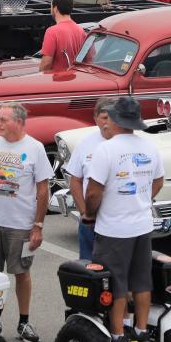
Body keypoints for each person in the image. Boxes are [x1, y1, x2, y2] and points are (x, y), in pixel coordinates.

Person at [84, 96, 164, 342]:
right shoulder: (150, 147)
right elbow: (159, 181)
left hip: (113, 228)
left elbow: (94, 191)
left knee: (116, 282)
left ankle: (118, 334)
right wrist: (141, 199)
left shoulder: (105, 149)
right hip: (141, 224)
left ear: (116, 119)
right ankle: (141, 329)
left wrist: (90, 213)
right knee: (141, 281)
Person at [0, 102, 51, 342]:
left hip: (20, 225)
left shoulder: (35, 148)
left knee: (21, 272)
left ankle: (23, 321)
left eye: (2, 120)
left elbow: (43, 190)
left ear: (18, 122)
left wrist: (37, 225)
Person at [63, 98, 112, 260]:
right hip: (90, 220)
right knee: (89, 270)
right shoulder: (85, 144)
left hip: (117, 220)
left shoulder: (126, 142)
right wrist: (84, 212)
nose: (108, 122)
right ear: (95, 118)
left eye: (112, 117)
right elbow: (75, 180)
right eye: (104, 117)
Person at [39, 0, 86, 73]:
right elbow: (89, 58)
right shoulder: (81, 31)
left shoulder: (52, 32)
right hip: (74, 80)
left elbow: (46, 64)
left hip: (57, 82)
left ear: (55, 8)